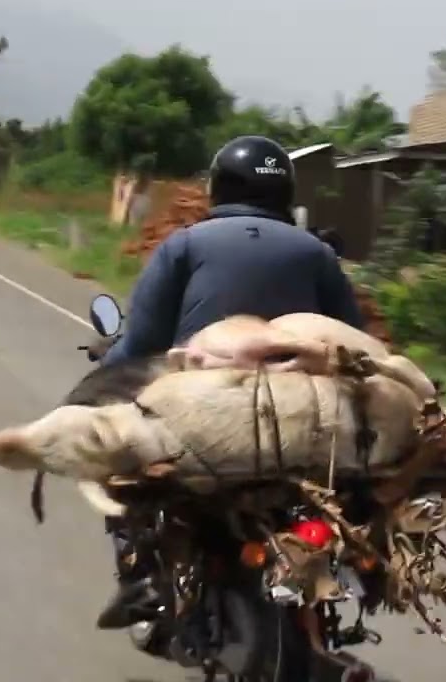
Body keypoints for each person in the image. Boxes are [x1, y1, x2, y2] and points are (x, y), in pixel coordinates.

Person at [93, 134, 366, 631]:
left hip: (201, 409)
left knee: (120, 471)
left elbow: (143, 340)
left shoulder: (186, 244)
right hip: (302, 420)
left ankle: (141, 581)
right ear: (286, 194)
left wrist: (101, 379)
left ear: (218, 189)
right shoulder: (318, 253)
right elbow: (354, 345)